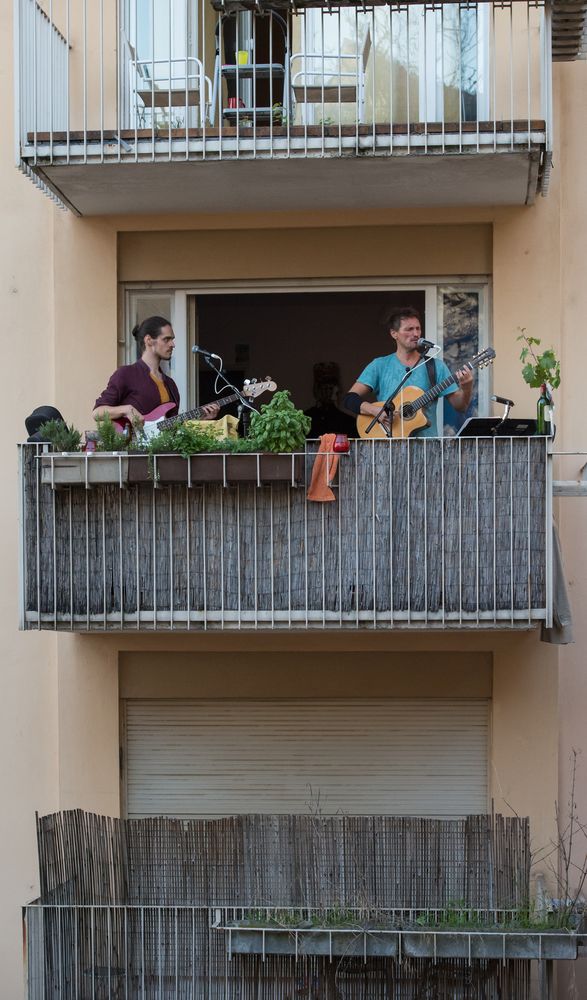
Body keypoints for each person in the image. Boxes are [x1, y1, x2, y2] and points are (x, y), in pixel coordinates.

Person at [343, 307, 474, 437]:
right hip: (388, 447)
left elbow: (460, 407)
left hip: (427, 449)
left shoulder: (435, 366)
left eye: (418, 328)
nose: (416, 334)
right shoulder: (379, 365)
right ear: (394, 333)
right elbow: (349, 399)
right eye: (409, 329)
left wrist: (467, 388)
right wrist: (374, 410)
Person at [93, 316, 219, 426]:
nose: (172, 344)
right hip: (133, 451)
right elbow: (97, 413)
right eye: (166, 339)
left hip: (162, 452)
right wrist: (126, 409)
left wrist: (199, 419)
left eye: (172, 339)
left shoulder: (170, 385)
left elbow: (172, 427)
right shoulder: (126, 374)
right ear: (148, 340)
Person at [304, 361, 357, 438]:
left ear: (337, 388)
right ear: (316, 389)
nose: (326, 390)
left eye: (331, 385)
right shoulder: (305, 420)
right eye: (322, 384)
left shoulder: (348, 422)